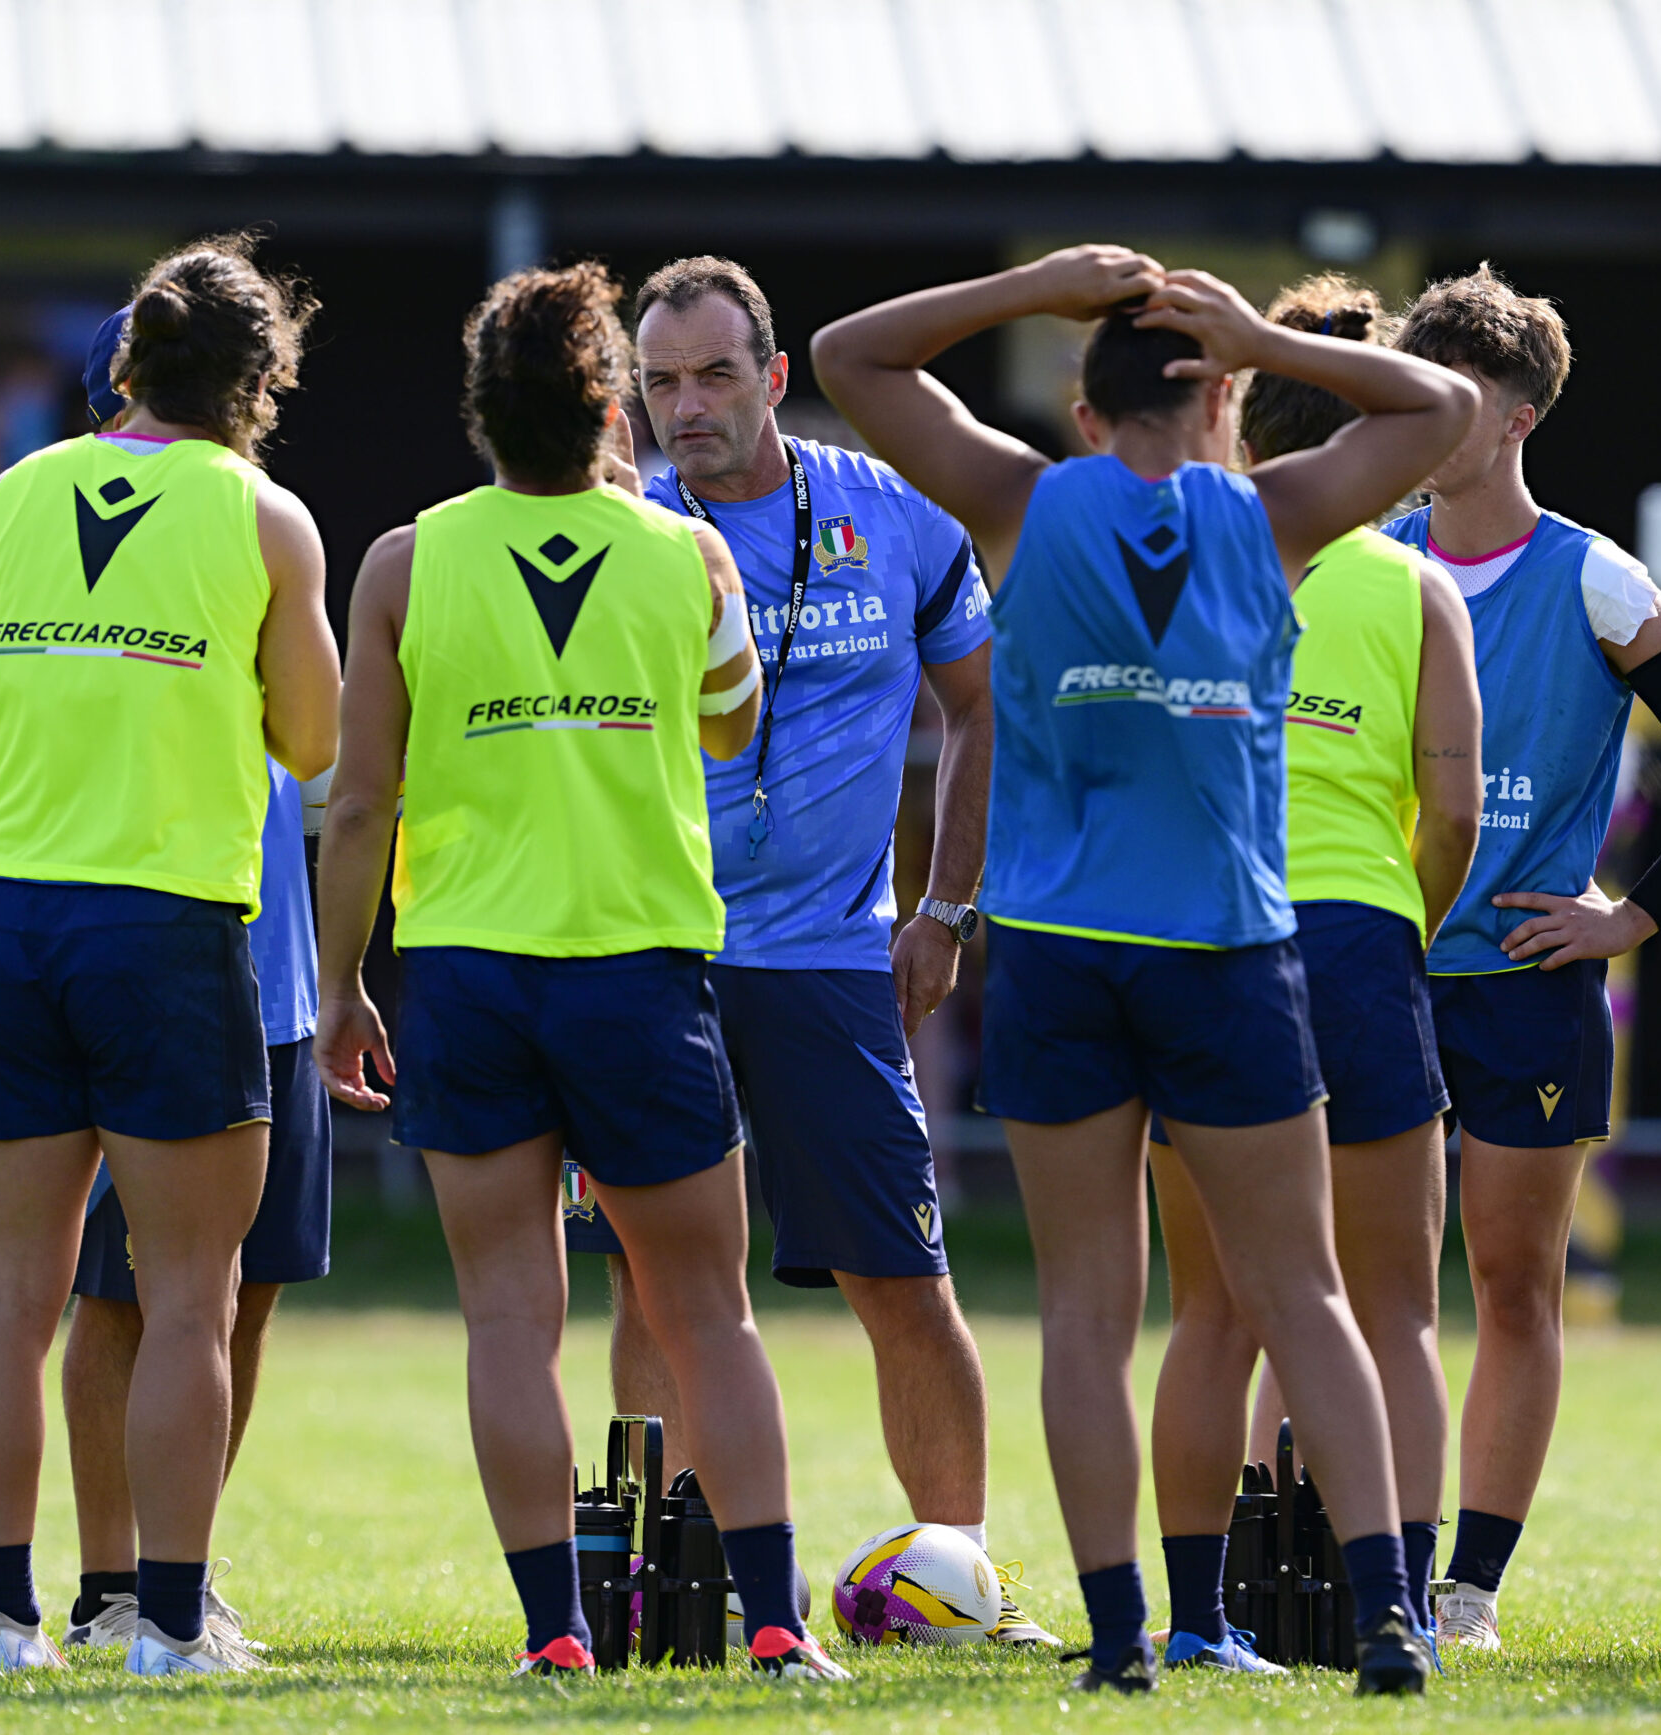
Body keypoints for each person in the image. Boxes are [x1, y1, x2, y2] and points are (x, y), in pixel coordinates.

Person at [812, 245, 1478, 1694]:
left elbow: (849, 353)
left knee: (1091, 1316)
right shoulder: (1277, 514)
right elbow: (1434, 406)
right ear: (1224, 397)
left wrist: (1029, 285)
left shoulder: (1025, 503)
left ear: (1085, 405)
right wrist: (1266, 338)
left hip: (1059, 961)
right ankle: (1384, 1623)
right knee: (1302, 1296)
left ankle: (1121, 1640)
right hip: (1230, 955)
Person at [316, 261, 849, 1683]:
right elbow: (733, 729)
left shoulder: (403, 561)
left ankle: (556, 1630)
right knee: (710, 1314)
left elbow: (358, 802)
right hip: (637, 975)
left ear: (480, 410)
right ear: (611, 400)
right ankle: (781, 1622)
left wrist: (339, 987)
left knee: (511, 1318)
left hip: (470, 980)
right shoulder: (689, 553)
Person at [556, 255, 1055, 1648]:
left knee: (903, 1279)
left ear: (775, 378)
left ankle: (963, 1582)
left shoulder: (889, 513)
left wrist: (947, 907)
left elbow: (980, 705)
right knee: (656, 1280)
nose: (686, 408)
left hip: (836, 965)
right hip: (653, 959)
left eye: (715, 376)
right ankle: (670, 1582)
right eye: (659, 384)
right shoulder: (617, 530)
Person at [0, 235, 339, 1675]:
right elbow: (319, 742)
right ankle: (164, 1627)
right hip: (169, 926)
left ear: (127, 364)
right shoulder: (265, 515)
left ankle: (0, 1623)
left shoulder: (11, 493)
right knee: (190, 1298)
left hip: (18, 916)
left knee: (11, 1295)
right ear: (260, 379)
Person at [1376, 267, 1661, 1651]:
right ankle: (1359, 1569)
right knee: (1357, 1295)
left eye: (1456, 395)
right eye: (1407, 386)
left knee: (1510, 1290)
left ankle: (1467, 1592)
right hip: (1376, 974)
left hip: (1532, 990)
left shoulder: (1593, 576)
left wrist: (1635, 917)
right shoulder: (1365, 556)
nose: (1424, 415)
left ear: (1520, 417)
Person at [1142, 275, 1484, 1672]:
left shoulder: (1175, 559)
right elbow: (1454, 809)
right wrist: (1407, 914)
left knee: (1214, 1310)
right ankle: (1391, 1607)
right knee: (1391, 1306)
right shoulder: (1416, 586)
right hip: (1355, 940)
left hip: (1207, 938)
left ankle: (1192, 1617)